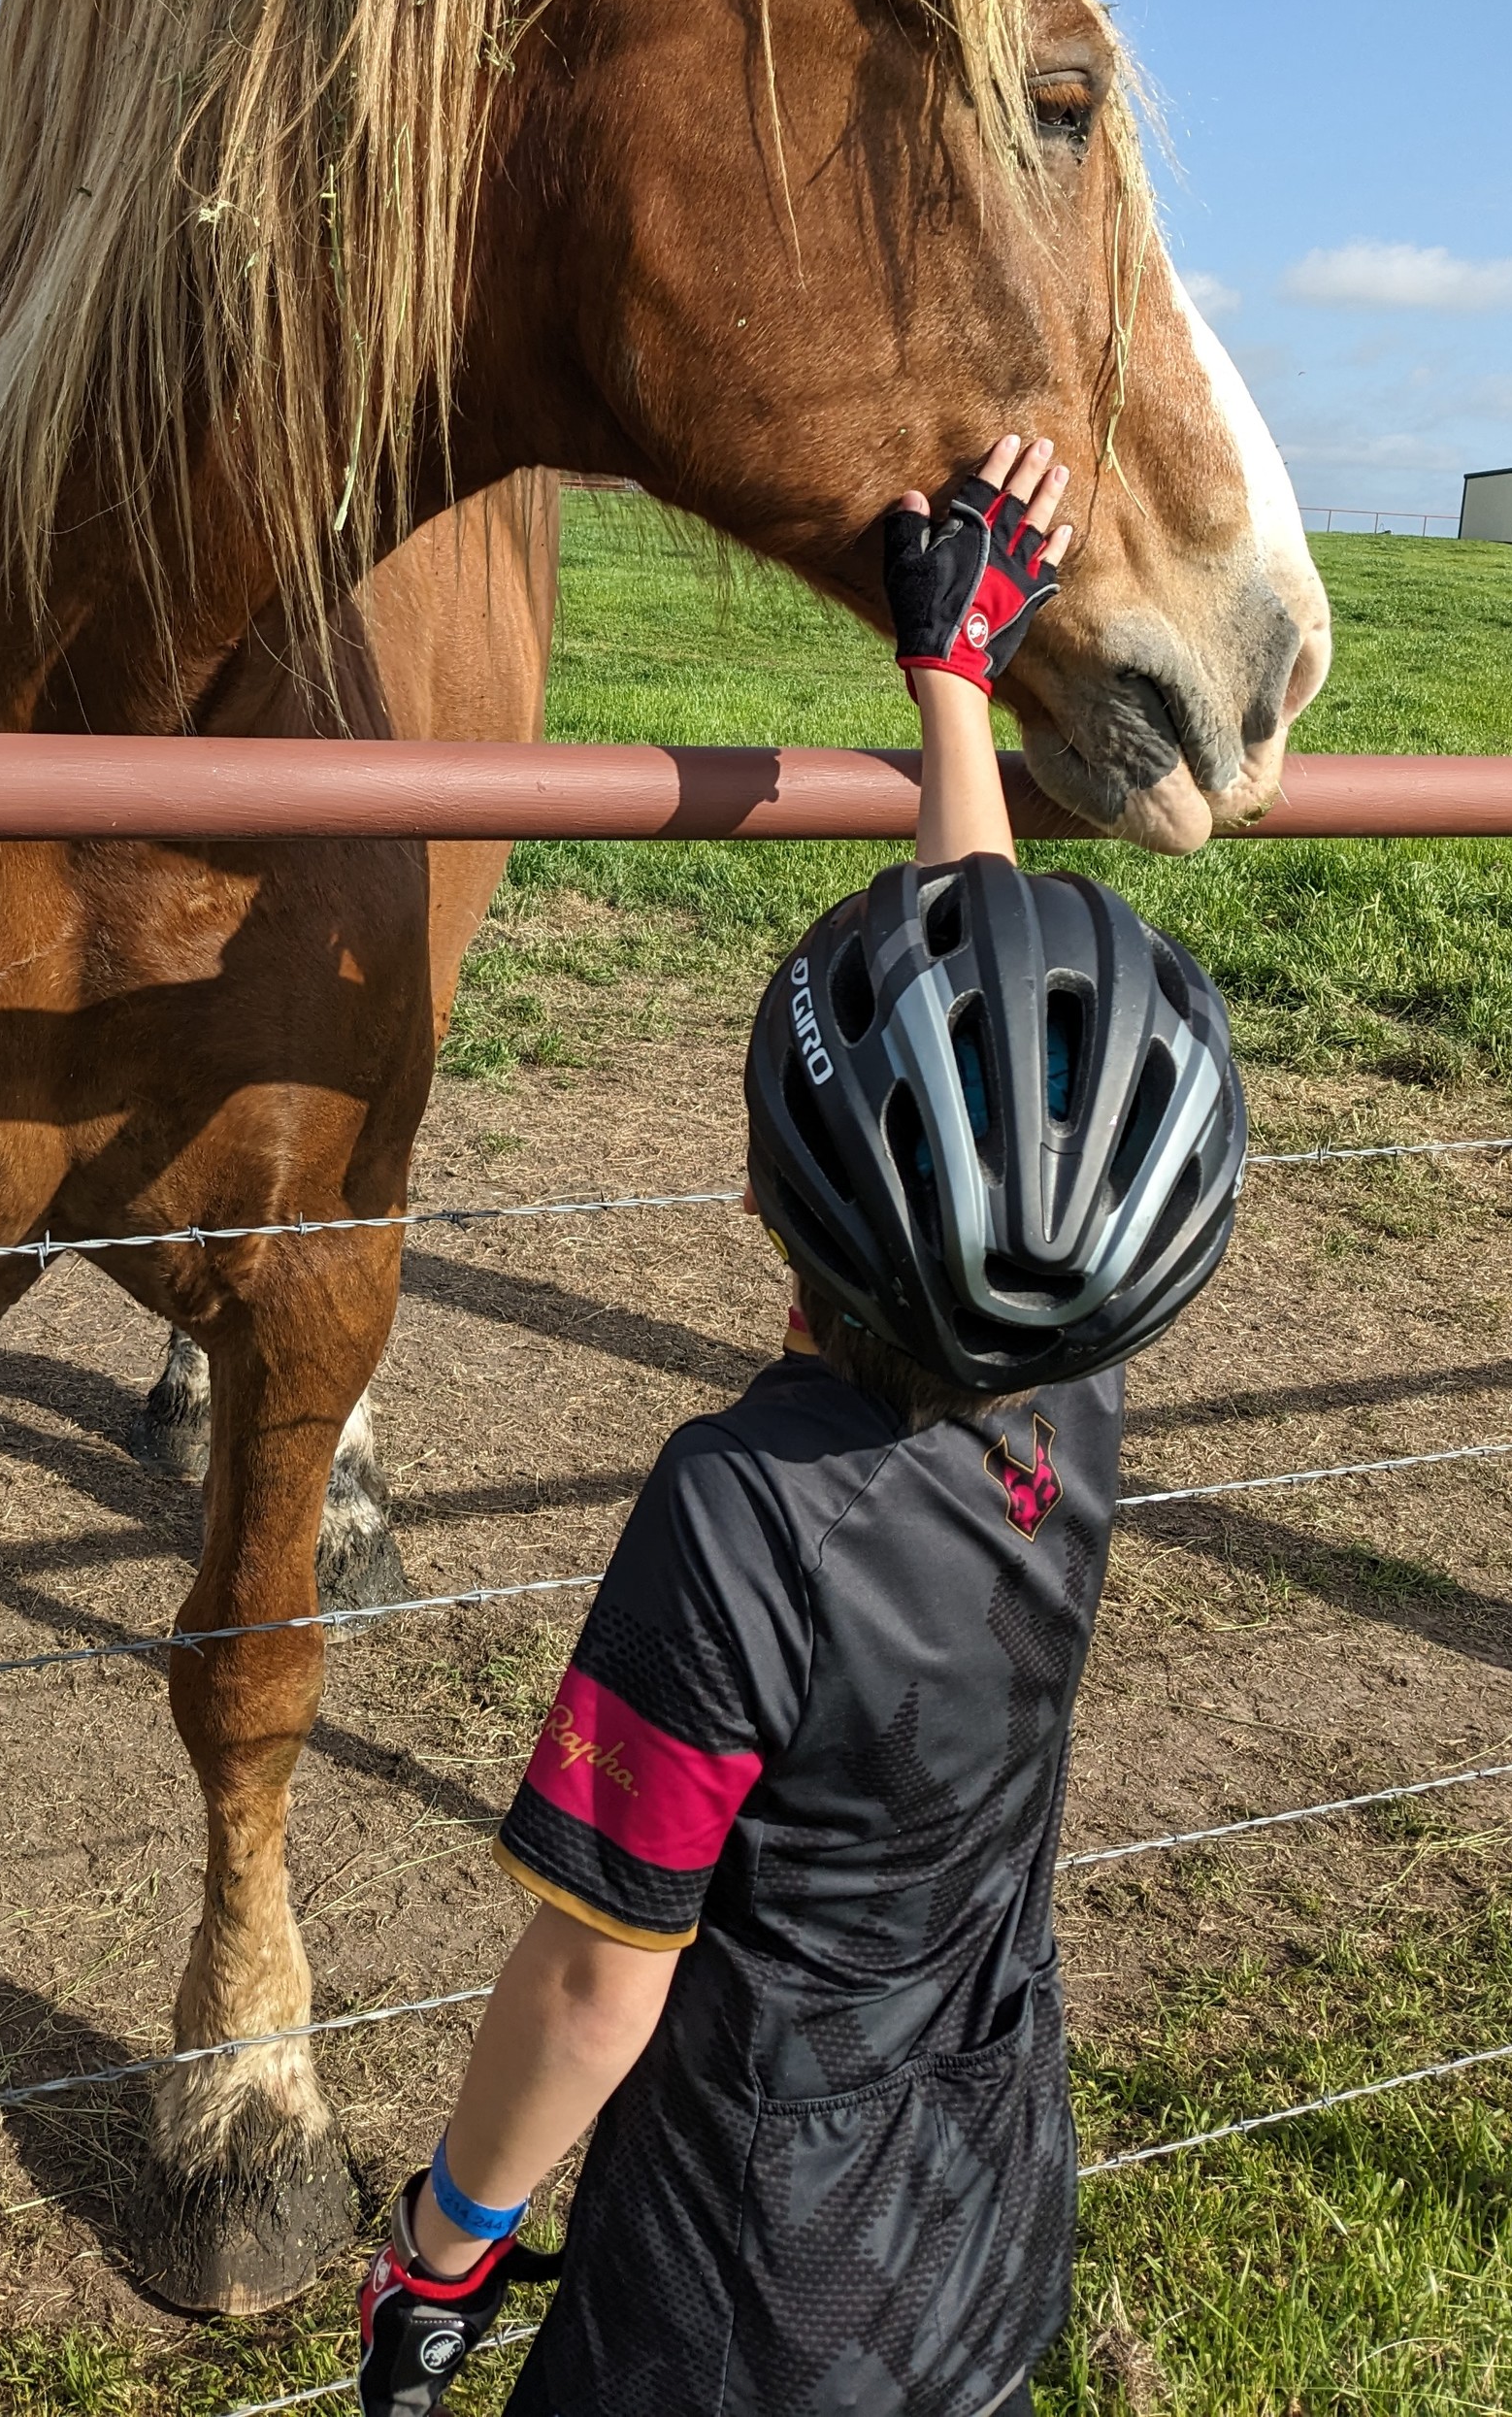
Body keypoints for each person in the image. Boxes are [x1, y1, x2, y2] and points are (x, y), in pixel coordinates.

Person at [356, 436, 1248, 2417]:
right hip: (977, 2220)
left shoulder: (742, 1511)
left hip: (733, 2302)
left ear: (760, 1193)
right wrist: (950, 679)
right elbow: (997, 1061)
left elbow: (600, 1974)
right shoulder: (1068, 1387)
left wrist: (445, 2242)